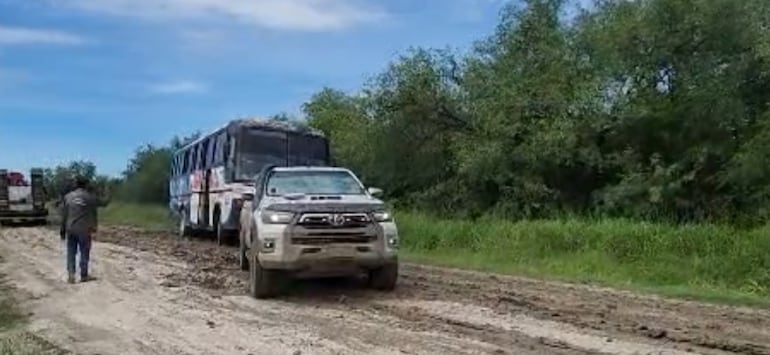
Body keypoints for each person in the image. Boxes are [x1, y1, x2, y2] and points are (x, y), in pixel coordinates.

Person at [59, 176, 99, 284]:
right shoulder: (90, 197)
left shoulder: (68, 197)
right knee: (84, 252)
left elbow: (64, 215)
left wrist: (62, 230)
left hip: (70, 228)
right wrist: (94, 227)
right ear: (86, 184)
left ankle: (71, 276)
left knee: (71, 252)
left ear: (76, 184)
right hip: (84, 229)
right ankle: (84, 275)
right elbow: (93, 214)